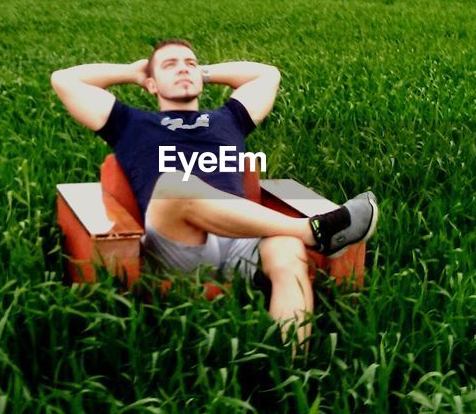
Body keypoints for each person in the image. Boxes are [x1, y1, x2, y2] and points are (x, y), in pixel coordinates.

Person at [51, 39, 377, 346]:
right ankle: (311, 230)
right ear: (150, 84)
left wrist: (201, 71)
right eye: (170, 65)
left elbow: (267, 74)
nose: (183, 68)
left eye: (190, 63)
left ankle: (293, 373)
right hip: (176, 245)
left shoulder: (228, 119)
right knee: (176, 183)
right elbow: (64, 80)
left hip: (240, 237)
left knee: (287, 250)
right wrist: (134, 72)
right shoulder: (130, 122)